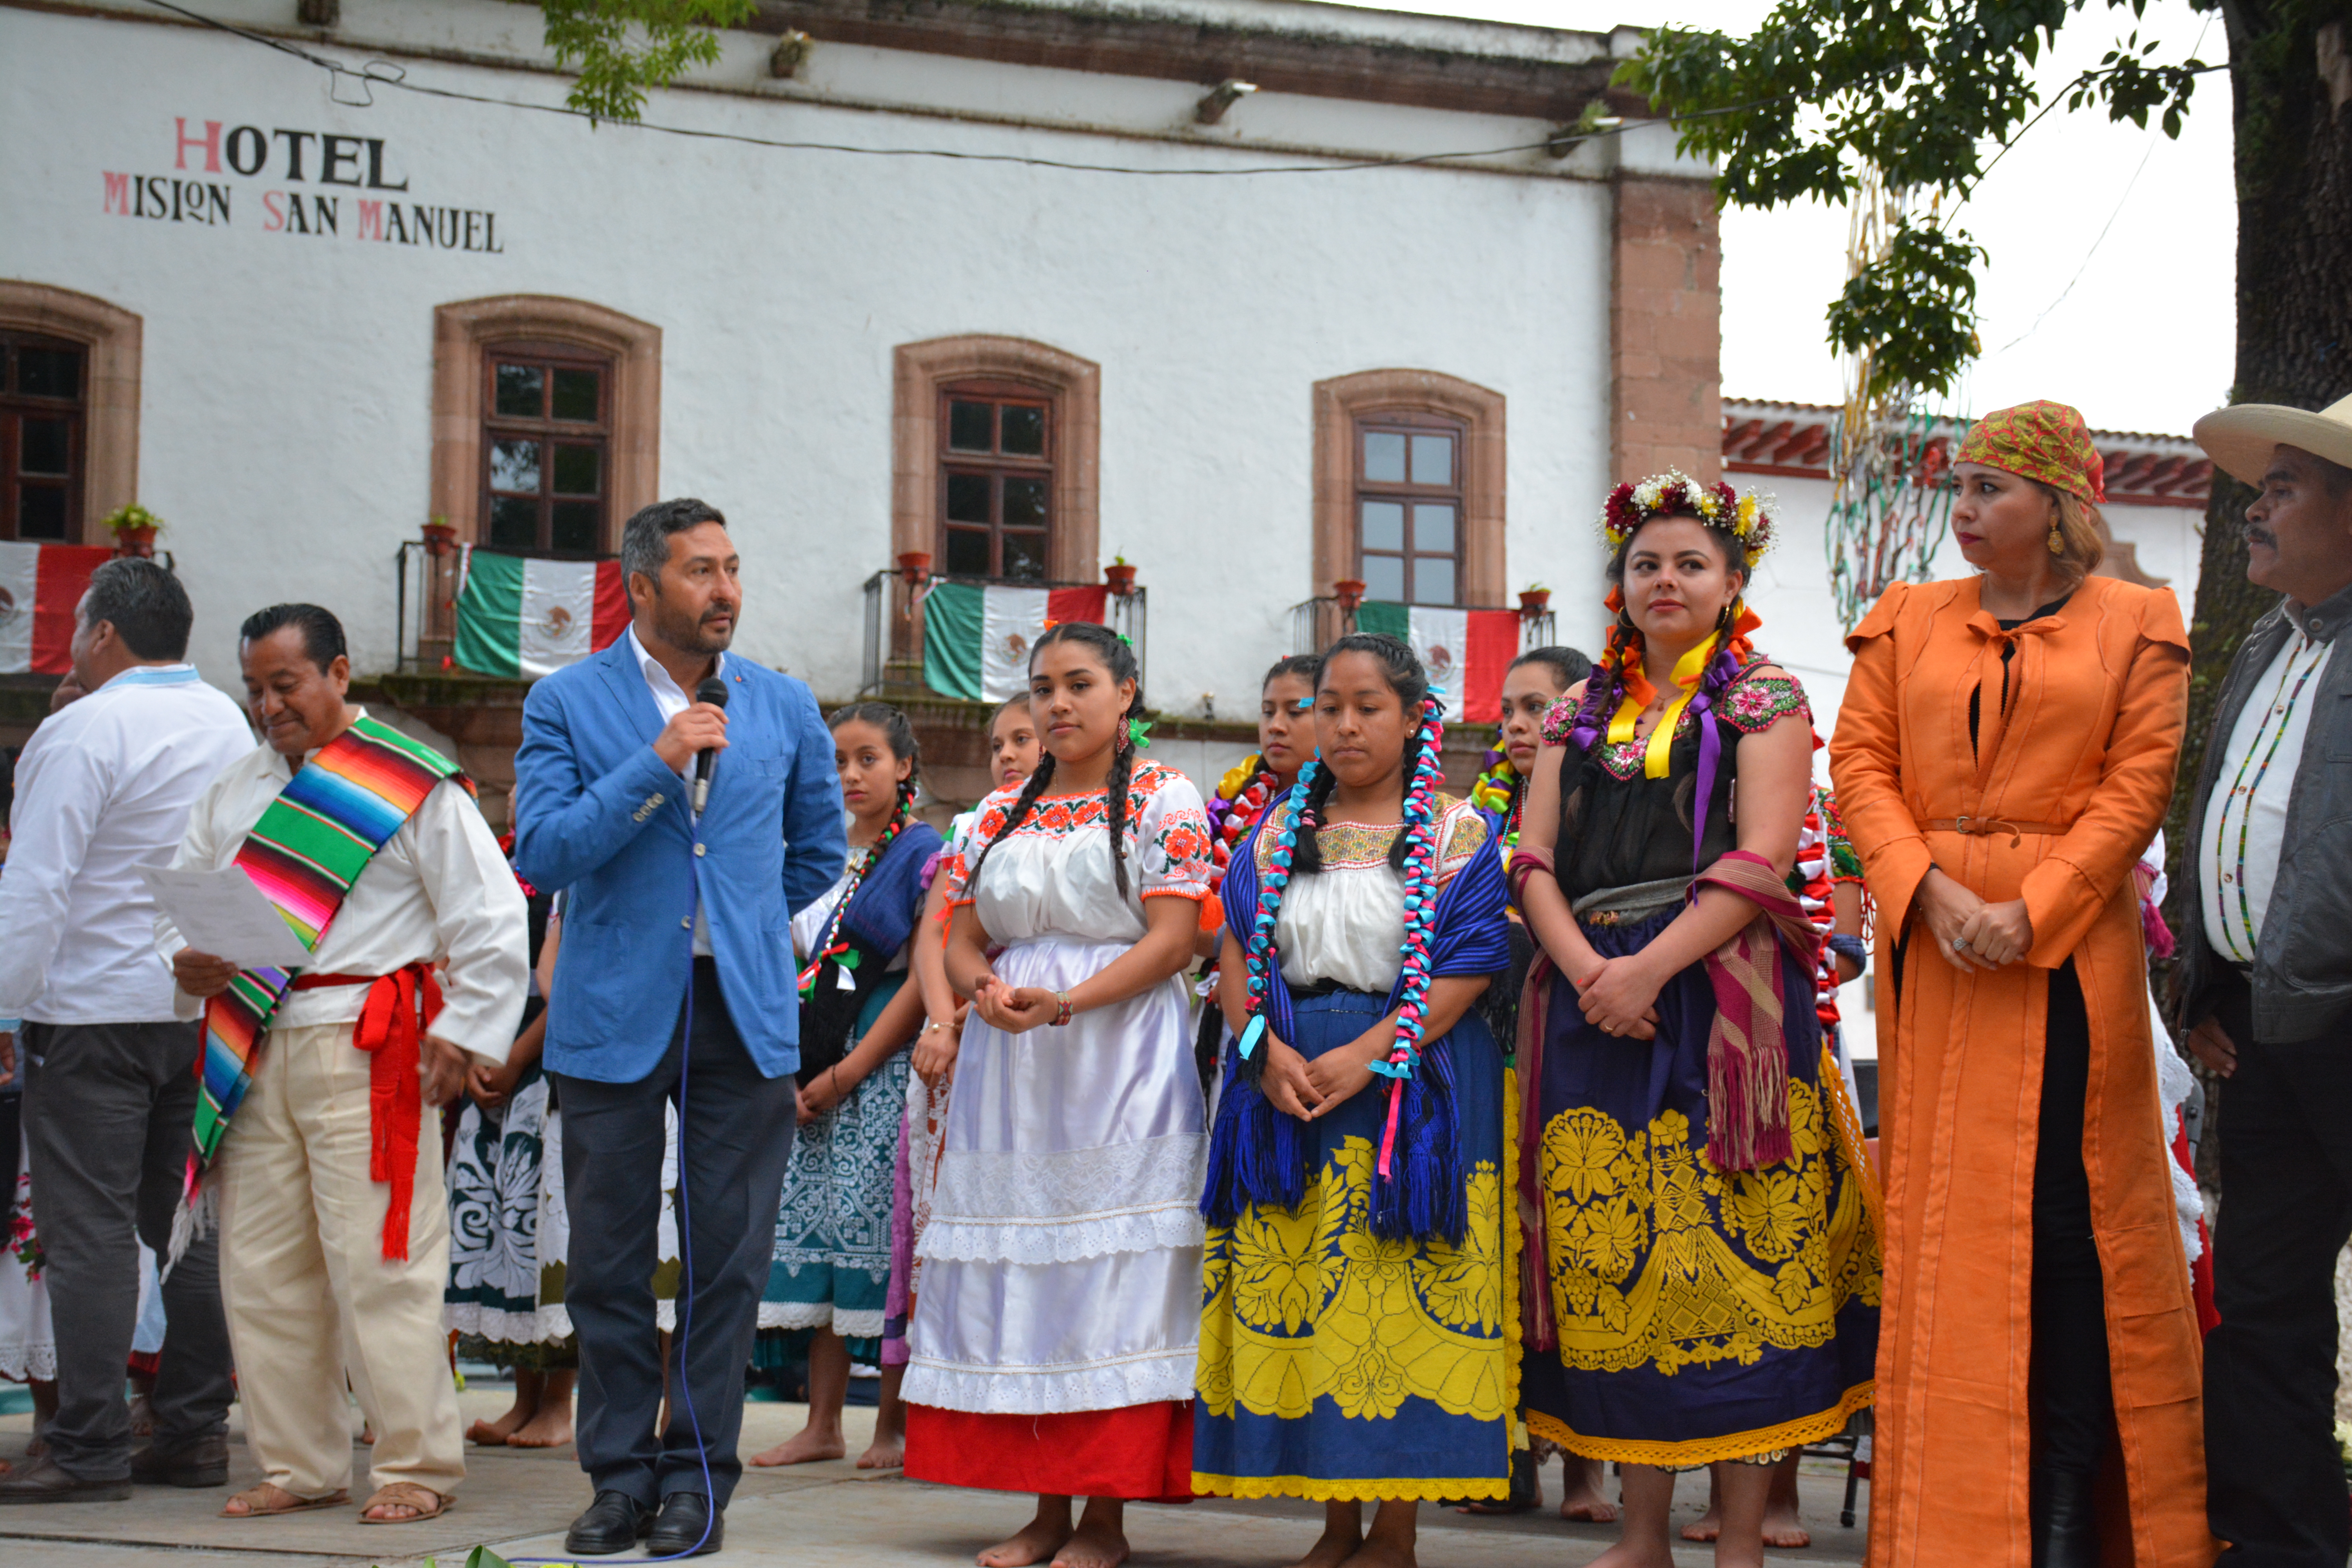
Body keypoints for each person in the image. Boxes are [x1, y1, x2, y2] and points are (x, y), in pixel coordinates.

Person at [1828, 401, 2206, 1567]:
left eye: (1990, 487)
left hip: (2065, 966)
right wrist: (1928, 893)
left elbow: (2135, 785)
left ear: (2056, 503)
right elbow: (1859, 764)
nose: (1965, 510)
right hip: (1934, 959)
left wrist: (2030, 909)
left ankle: (2057, 1509)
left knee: (2067, 1232)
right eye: (1961, 486)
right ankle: (1953, 1525)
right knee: (1941, 1234)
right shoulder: (1903, 619)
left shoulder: (2136, 621)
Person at [1515, 474, 1881, 1568]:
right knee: (1612, 1253)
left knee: (1733, 1261)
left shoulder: (1764, 697)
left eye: (1689, 564)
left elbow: (1762, 856)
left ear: (1731, 583)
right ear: (1619, 586)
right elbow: (1532, 857)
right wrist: (1590, 969)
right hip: (1592, 1000)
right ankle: (1639, 1533)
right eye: (1645, 564)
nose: (1664, 581)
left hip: (1724, 1007)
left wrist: (1648, 973)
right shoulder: (1578, 712)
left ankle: (1736, 1541)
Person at [512, 499, 844, 1559]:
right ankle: (617, 1479)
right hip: (612, 1011)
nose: (728, 592)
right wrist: (658, 760)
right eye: (703, 572)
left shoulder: (784, 706)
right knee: (608, 1263)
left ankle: (698, 1476)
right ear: (644, 587)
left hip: (741, 1012)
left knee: (726, 1263)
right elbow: (548, 850)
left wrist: (741, 924)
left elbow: (817, 854)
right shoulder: (566, 701)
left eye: (735, 569)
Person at [158, 602, 529, 1524]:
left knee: (383, 1260)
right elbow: (181, 902)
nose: (268, 705)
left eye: (286, 684)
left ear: (339, 673)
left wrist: (462, 1033)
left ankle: (417, 1463)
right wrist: (189, 960)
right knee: (261, 1265)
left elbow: (490, 917)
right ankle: (298, 1462)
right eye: (254, 687)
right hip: (251, 1036)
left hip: (369, 1035)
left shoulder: (411, 782)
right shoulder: (233, 787)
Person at [1192, 633, 1515, 1563]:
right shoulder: (1269, 831)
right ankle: (1335, 1522)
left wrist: (1374, 1053)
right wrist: (1268, 1057)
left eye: (1366, 706)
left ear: (1415, 718)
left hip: (1411, 1093)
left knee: (1399, 1299)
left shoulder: (1459, 833)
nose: (1340, 724)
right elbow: (1235, 959)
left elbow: (1468, 963)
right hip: (1290, 1090)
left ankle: (1398, 1529)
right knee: (1315, 1302)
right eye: (1324, 706)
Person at [904, 621, 1214, 1568]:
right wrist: (981, 990)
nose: (1057, 703)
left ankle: (1107, 1518)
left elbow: (1175, 939)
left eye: (1080, 683)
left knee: (1108, 1272)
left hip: (1120, 1055)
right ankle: (1044, 1509)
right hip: (1015, 1061)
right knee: (1029, 1277)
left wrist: (1067, 1002)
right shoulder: (992, 813)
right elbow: (959, 932)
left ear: (1127, 694)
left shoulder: (1166, 798)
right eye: (1043, 687)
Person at [0, 561, 254, 1505]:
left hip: (92, 1011)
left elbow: (36, 886)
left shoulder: (84, 728)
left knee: (91, 1233)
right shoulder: (226, 719)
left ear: (103, 634)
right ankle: (191, 1430)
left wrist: (3, 1003)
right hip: (195, 1005)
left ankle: (89, 1442)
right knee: (182, 1226)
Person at [2176, 391, 2352, 1566]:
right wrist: (2200, 989)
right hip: (2267, 1022)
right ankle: (2286, 1545)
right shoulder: (2262, 641)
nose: (2254, 505)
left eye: (2282, 487)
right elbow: (2227, 820)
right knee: (2265, 1304)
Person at [753, 702, 940, 1471]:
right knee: (825, 1239)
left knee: (885, 1241)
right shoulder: (807, 854)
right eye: (837, 760)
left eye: (869, 758)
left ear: (904, 768)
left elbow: (922, 984)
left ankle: (890, 1424)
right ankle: (822, 1421)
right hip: (805, 1057)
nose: (851, 775)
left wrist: (851, 1068)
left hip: (880, 1061)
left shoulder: (923, 853)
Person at [1461, 644, 1609, 1524]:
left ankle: (1590, 1471)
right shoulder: (1474, 815)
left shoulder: (1599, 797)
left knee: (1578, 1249)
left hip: (1581, 1044)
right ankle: (1507, 1456)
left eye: (1537, 707)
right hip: (1495, 1049)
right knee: (1508, 1259)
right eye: (1509, 709)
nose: (1518, 724)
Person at [883, 697, 1041, 1378]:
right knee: (941, 1208)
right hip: (964, 1031)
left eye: (1022, 740)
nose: (1006, 755)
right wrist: (945, 1022)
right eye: (997, 744)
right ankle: (944, 1378)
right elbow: (936, 938)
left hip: (1039, 1030)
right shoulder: (975, 828)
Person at [443, 847, 575, 1449]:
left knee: (546, 1229)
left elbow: (569, 977)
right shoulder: (496, 859)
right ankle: (523, 1399)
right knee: (505, 1233)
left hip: (544, 1051)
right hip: (490, 1053)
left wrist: (516, 1056)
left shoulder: (570, 864)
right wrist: (471, 1050)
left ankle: (557, 1404)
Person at [1192, 655, 1323, 1088]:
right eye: (1268, 712)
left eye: (1295, 711)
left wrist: (1214, 941)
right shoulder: (1238, 806)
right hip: (1234, 1011)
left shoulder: (1343, 812)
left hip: (1303, 1015)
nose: (1276, 725)